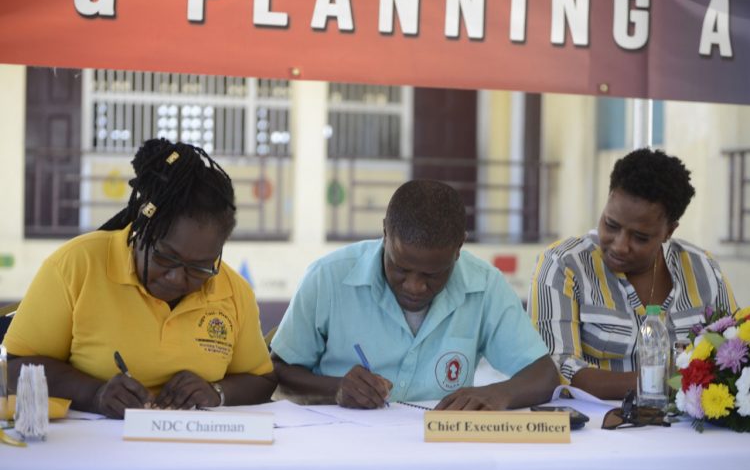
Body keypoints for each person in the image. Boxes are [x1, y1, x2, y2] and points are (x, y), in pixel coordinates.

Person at [4, 139, 276, 418]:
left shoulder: (233, 290)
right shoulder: (77, 265)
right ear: (142, 227)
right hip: (91, 450)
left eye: (199, 267)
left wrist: (217, 393)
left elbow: (262, 381)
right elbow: (15, 368)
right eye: (165, 258)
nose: (176, 278)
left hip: (195, 452)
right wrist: (94, 394)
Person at [270, 180, 558, 410]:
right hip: (341, 449)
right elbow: (278, 371)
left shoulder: (484, 286)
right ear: (385, 233)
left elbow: (543, 374)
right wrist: (336, 390)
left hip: (439, 451)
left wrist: (499, 394)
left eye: (433, 274)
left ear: (459, 248)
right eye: (401, 268)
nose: (414, 286)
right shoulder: (328, 278)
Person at [528, 148, 737, 399]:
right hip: (597, 432)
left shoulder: (704, 269)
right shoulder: (563, 264)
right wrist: (668, 383)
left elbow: (733, 353)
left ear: (669, 231)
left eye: (640, 237)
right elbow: (554, 369)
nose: (619, 244)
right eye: (611, 224)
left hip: (689, 432)